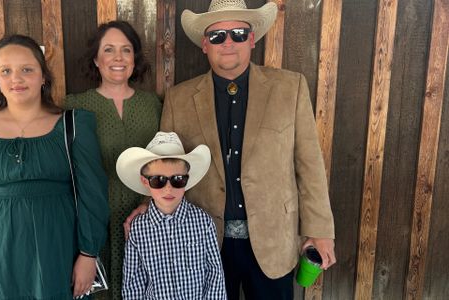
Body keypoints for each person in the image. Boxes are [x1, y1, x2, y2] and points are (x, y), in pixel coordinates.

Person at [125, 1, 337, 298]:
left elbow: (310, 165)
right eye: (217, 36)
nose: (228, 43)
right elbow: (168, 164)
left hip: (274, 241)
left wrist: (320, 230)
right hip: (203, 241)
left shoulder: (291, 88)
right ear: (204, 44)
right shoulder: (179, 98)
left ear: (251, 39)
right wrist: (151, 204)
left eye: (238, 33)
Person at [0, 34, 109, 299]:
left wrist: (87, 253)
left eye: (27, 69)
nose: (16, 78)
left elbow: (93, 195)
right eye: (6, 71)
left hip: (56, 249)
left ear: (43, 76)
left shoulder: (72, 127)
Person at [63, 20, 161, 299]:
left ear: (134, 58)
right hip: (93, 226)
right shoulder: (74, 107)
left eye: (126, 50)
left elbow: (167, 163)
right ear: (96, 59)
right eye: (109, 50)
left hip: (146, 223)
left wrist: (147, 205)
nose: (118, 58)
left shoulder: (153, 105)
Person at [117, 132, 227, 299]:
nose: (168, 189)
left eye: (177, 180)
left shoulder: (203, 222)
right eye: (158, 181)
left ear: (186, 180)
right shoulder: (137, 229)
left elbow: (215, 274)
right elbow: (133, 282)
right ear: (145, 182)